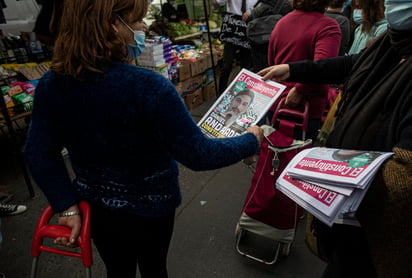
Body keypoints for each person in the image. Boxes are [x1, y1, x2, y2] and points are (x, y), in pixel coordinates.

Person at [23, 1, 264, 277]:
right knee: (153, 268)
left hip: (97, 208)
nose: (143, 27)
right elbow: (199, 154)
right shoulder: (148, 87)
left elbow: (39, 152)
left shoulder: (52, 84)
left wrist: (66, 206)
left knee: (117, 269)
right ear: (113, 24)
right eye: (136, 20)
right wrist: (250, 140)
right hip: (151, 209)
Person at [257, 0, 412, 275]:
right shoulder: (390, 42)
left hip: (382, 231)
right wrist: (293, 69)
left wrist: (331, 170)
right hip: (350, 219)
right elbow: (350, 63)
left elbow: (404, 176)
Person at [266, 0, 342, 140]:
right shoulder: (328, 26)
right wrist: (300, 89)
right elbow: (324, 67)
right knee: (298, 157)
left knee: (275, 154)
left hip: (277, 104)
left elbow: (272, 63)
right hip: (305, 109)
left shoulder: (282, 22)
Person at [215, 0, 258, 94]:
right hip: (232, 28)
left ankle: (242, 92)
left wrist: (252, 12)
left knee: (246, 66)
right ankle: (221, 93)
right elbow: (218, 3)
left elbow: (263, 4)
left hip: (247, 27)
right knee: (227, 64)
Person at [246, 0, 293, 72]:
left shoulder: (260, 5)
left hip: (260, 44)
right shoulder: (288, 6)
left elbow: (249, 20)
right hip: (280, 46)